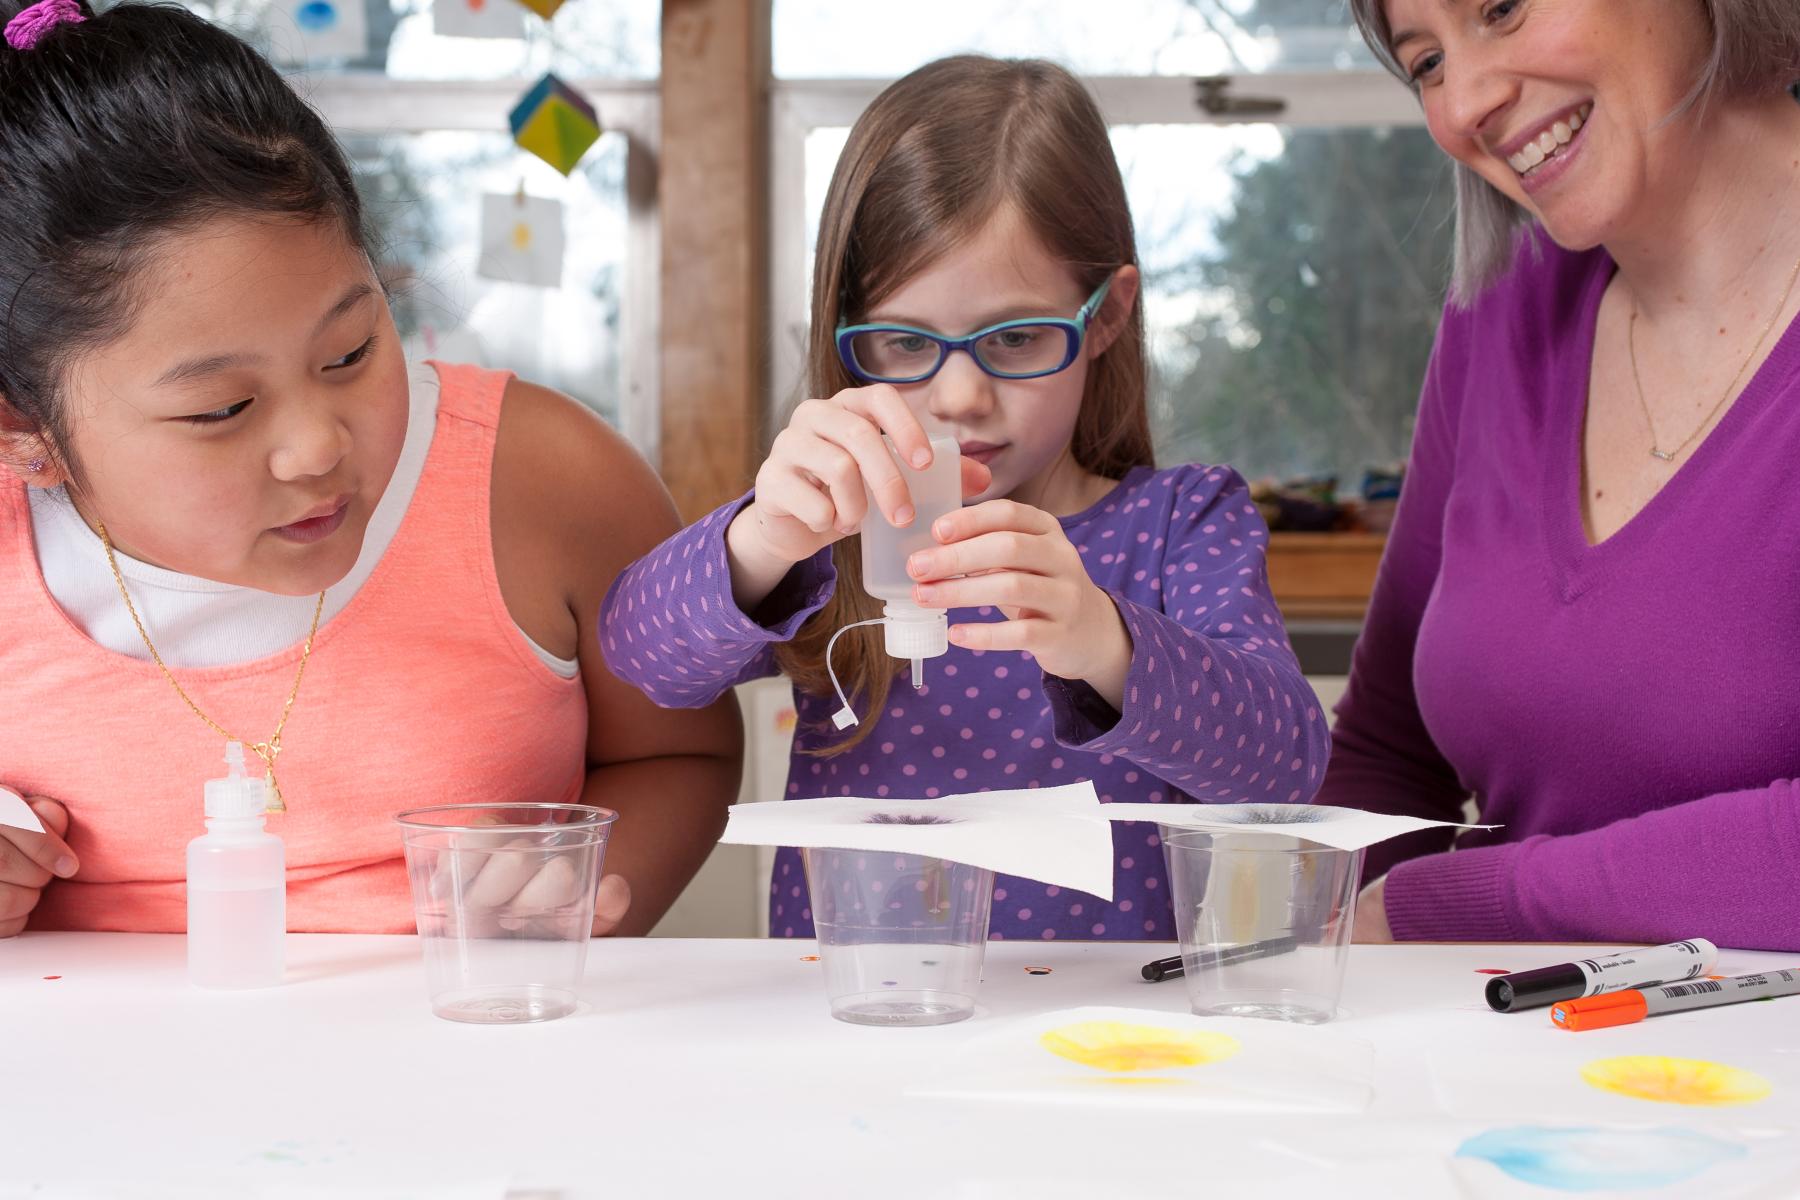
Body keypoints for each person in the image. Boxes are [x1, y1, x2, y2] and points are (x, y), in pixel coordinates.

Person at [0, 0, 741, 937]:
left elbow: (682, 755)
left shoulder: (545, 481)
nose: (319, 446)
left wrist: (587, 885)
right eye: (221, 410)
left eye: (350, 351)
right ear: (23, 431)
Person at [602, 55, 1328, 941]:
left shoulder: (1180, 523)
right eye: (906, 344)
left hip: (1100, 1044)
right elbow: (638, 660)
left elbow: (1288, 770)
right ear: (845, 335)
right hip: (849, 1028)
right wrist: (759, 540)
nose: (958, 398)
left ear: (1104, 318)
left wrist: (1105, 641)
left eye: (1017, 337)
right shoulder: (833, 519)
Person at [1323, 0, 1800, 948]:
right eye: (1424, 63)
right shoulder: (1500, 312)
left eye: (1500, 9)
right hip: (1528, 1070)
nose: (1465, 104)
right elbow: (1385, 756)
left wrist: (1465, 902)